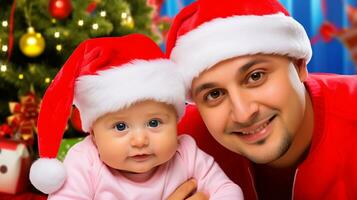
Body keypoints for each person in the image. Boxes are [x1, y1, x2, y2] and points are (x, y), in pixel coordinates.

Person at [166, 0, 357, 199]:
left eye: (255, 76)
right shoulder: (169, 143)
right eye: (214, 94)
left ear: (299, 65)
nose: (243, 113)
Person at [28, 34, 243, 199]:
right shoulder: (85, 162)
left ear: (176, 122)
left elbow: (227, 190)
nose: (140, 140)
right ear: (93, 133)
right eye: (120, 126)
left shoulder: (186, 152)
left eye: (154, 123)